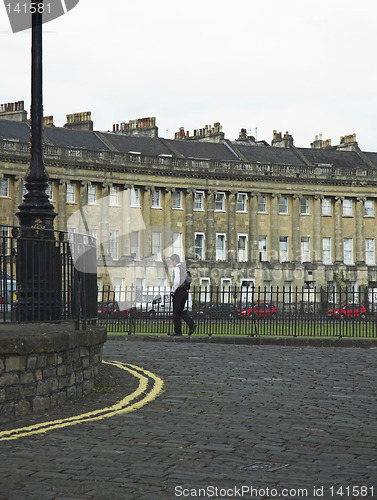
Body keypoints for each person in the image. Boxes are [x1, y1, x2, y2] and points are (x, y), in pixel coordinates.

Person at [169, 254, 196, 337]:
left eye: (172, 261)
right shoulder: (184, 268)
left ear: (174, 261)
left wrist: (173, 290)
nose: (171, 263)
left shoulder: (177, 268)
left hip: (179, 291)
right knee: (180, 310)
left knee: (176, 313)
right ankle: (191, 324)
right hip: (185, 292)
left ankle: (178, 331)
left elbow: (177, 281)